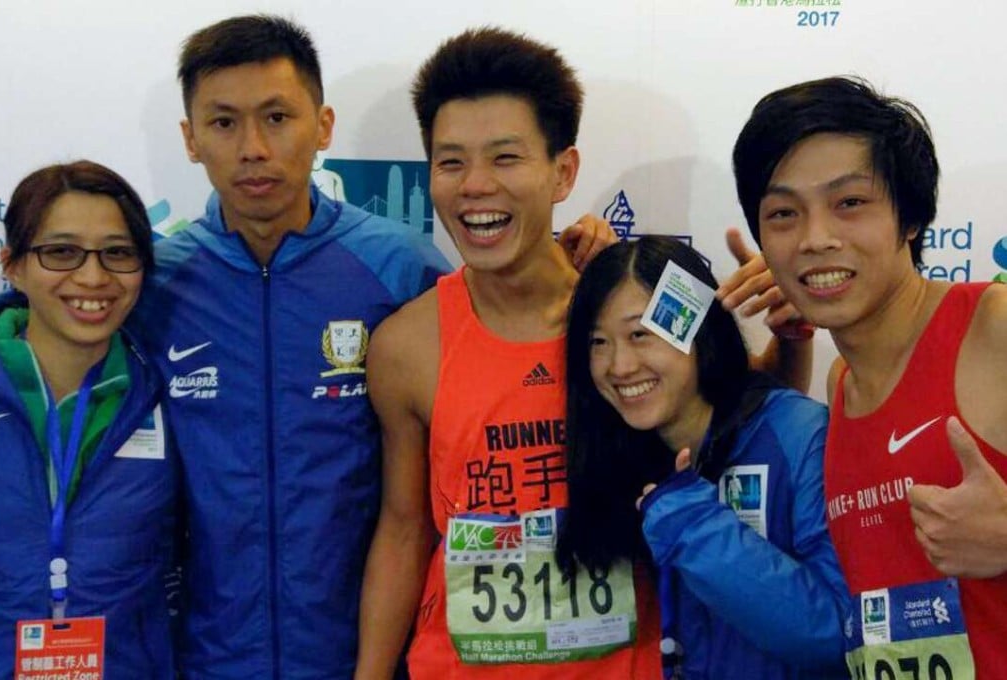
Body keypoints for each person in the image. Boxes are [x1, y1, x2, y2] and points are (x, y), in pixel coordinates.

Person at [355, 27, 812, 680]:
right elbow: (404, 529)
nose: (475, 185)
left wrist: (794, 342)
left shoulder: (636, 304)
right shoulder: (404, 346)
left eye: (506, 158)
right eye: (451, 161)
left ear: (562, 171)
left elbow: (736, 419)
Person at [130, 15, 451, 679]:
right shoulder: (156, 283)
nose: (253, 147)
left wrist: (579, 263)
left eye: (277, 117)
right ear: (190, 139)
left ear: (323, 125)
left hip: (364, 655)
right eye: (223, 123)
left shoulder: (401, 268)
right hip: (204, 658)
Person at [733, 75, 1007, 678]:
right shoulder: (840, 383)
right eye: (783, 214)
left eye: (849, 203)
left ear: (909, 217)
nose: (815, 239)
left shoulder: (990, 329)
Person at [556, 235, 849, 679]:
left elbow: (839, 636)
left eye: (640, 334)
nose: (619, 366)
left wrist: (692, 525)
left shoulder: (798, 433)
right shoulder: (617, 457)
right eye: (598, 343)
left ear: (696, 330)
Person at [0, 161, 176, 678]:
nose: (93, 277)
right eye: (61, 252)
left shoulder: (166, 396)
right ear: (13, 265)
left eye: (117, 253)